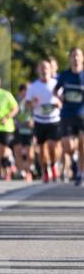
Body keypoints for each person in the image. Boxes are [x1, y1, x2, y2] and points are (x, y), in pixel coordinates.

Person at [26, 59, 62, 183]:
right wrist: (33, 103)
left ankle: (53, 165)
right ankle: (45, 170)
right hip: (39, 120)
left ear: (51, 69)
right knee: (41, 148)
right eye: (41, 67)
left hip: (54, 119)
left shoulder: (56, 84)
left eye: (46, 67)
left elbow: (62, 100)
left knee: (53, 146)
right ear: (38, 70)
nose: (44, 69)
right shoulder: (33, 86)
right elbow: (27, 103)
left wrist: (59, 103)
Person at [55, 46, 84, 186]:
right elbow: (55, 91)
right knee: (68, 146)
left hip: (82, 114)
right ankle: (74, 158)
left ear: (82, 58)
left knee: (82, 145)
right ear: (70, 58)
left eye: (78, 55)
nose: (76, 58)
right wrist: (61, 99)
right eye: (73, 55)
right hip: (67, 113)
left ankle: (80, 173)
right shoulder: (65, 75)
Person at [13, 83, 35, 181]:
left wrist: (33, 120)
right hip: (18, 129)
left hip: (29, 130)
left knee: (30, 152)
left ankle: (29, 170)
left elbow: (37, 112)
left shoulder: (33, 100)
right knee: (17, 149)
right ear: (21, 91)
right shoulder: (16, 101)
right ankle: (21, 170)